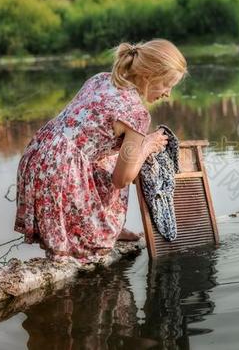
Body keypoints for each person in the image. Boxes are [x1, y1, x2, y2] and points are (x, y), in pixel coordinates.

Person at [14, 39, 187, 263]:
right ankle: (100, 232)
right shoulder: (136, 114)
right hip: (60, 173)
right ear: (148, 76)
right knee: (128, 162)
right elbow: (122, 179)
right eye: (167, 84)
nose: (168, 93)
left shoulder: (101, 79)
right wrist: (147, 146)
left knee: (113, 154)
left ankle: (107, 228)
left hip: (38, 158)